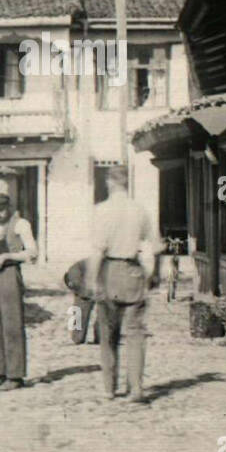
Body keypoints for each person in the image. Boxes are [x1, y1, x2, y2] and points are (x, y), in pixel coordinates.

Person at [85, 166, 158, 399]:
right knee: (136, 333)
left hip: (110, 272)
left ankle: (109, 388)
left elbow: (97, 250)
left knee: (108, 333)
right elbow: (156, 246)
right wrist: (153, 274)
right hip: (134, 271)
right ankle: (136, 387)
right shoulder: (139, 210)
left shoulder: (102, 211)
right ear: (126, 182)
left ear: (109, 182)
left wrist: (91, 280)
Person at [0, 192, 37, 391]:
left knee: (12, 325)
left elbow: (32, 252)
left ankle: (15, 375)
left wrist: (6, 256)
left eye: (1, 210)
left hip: (10, 276)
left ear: (9, 207)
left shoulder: (21, 224)